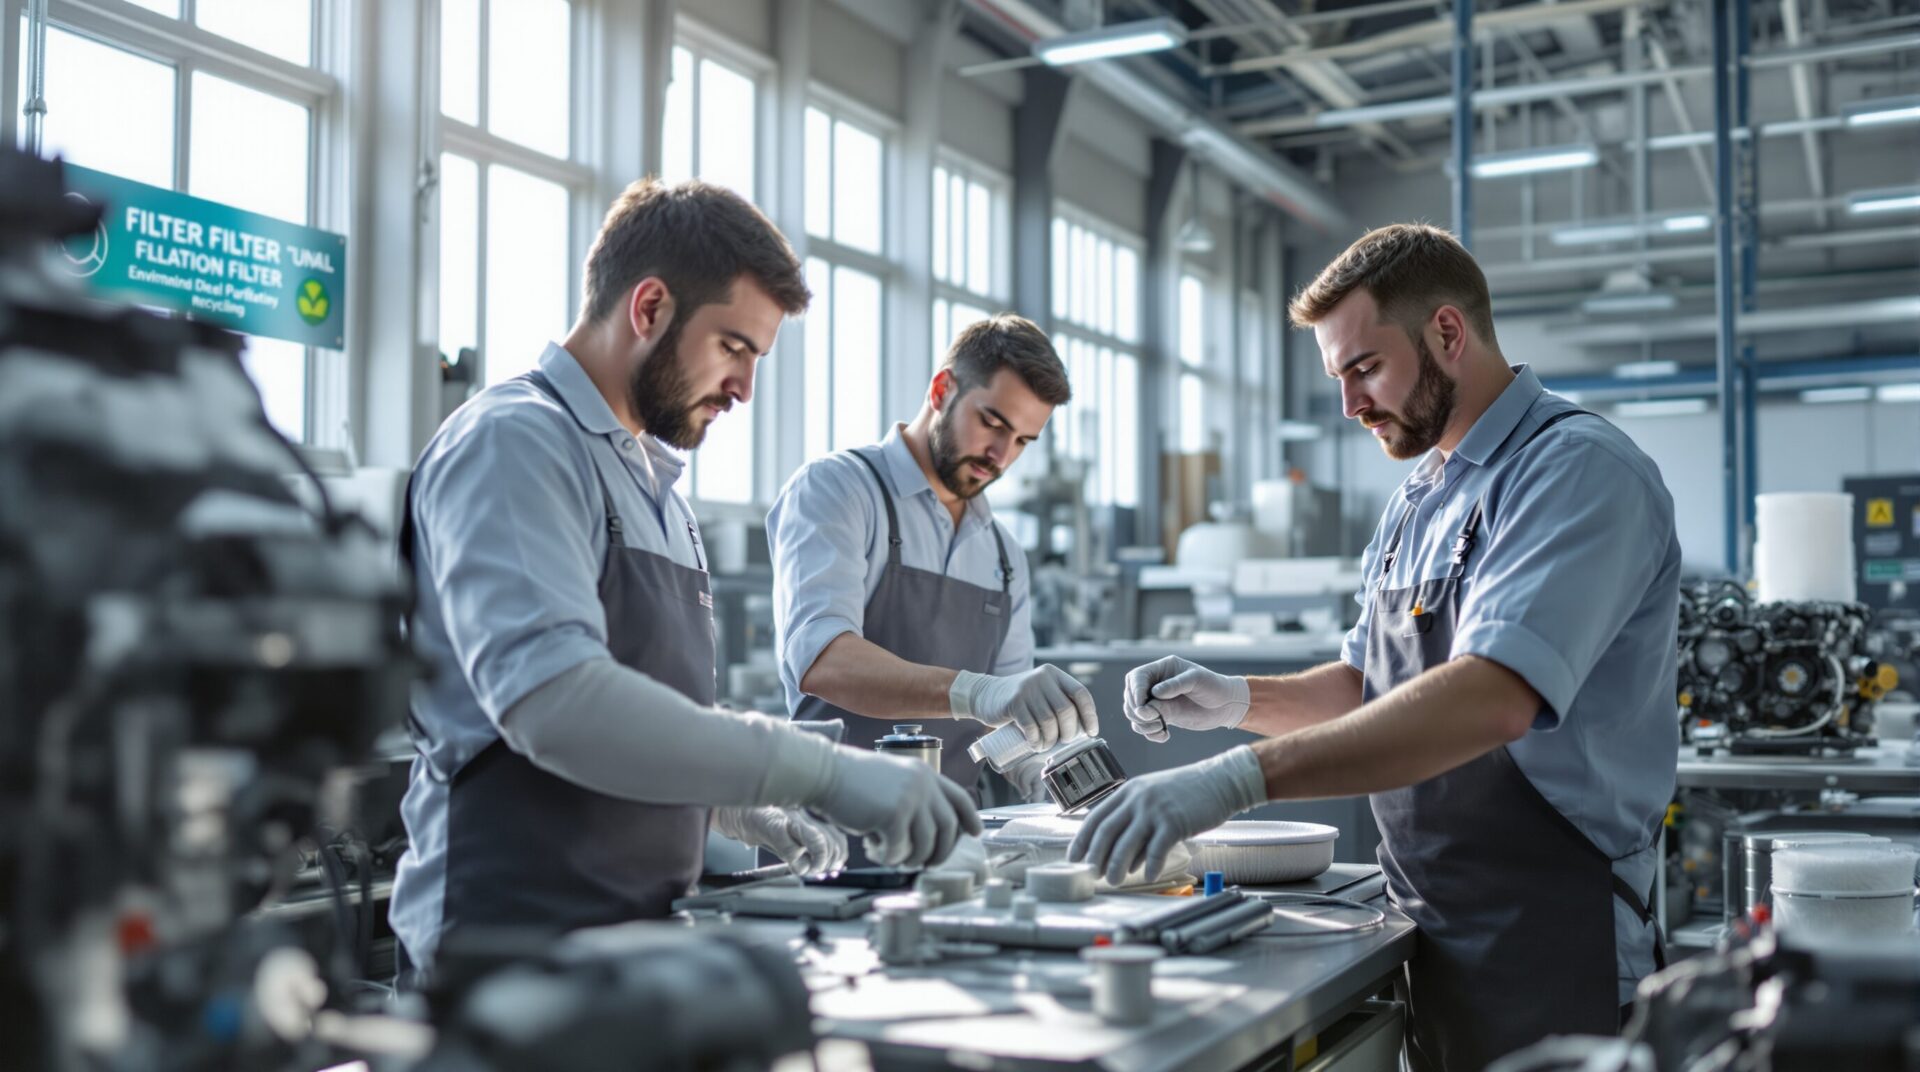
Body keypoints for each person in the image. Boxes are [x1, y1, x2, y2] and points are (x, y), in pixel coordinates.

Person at [1070, 223, 1680, 1071]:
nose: (1349, 405)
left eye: (1364, 368)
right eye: (1338, 378)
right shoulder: (1417, 501)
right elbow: (1371, 687)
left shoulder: (1574, 471)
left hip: (1557, 938)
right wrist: (1239, 701)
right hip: (1430, 932)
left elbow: (1491, 697)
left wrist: (1235, 781)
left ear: (1448, 333)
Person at [391, 179, 979, 974]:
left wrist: (728, 803)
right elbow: (556, 705)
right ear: (650, 307)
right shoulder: (516, 443)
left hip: (635, 947)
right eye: (734, 347)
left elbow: (648, 706)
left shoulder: (657, 489)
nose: (745, 388)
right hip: (504, 955)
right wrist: (824, 772)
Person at [767, 314, 1097, 810]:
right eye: (992, 423)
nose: (1001, 455)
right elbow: (822, 661)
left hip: (954, 837)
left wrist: (1061, 785)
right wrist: (978, 693)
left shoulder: (1003, 553)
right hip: (832, 833)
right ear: (942, 390)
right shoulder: (838, 489)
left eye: (1023, 441)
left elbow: (1014, 724)